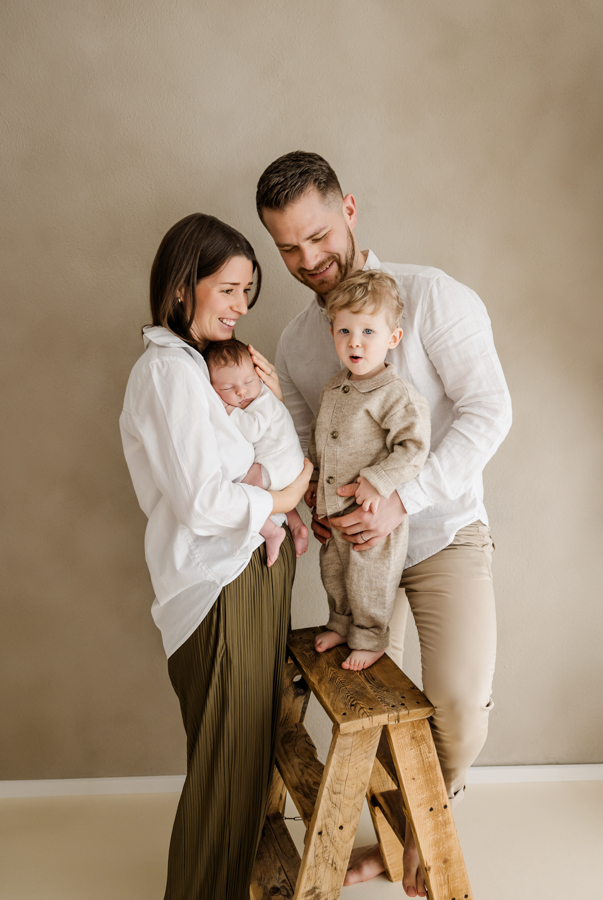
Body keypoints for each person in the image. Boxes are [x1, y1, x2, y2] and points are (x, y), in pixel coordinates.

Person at [254, 151, 512, 898]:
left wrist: (404, 496)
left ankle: (419, 831)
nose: (309, 259)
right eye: (288, 248)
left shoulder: (434, 298)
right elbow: (302, 449)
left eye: (319, 236)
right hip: (357, 556)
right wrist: (307, 510)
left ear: (351, 211)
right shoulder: (298, 343)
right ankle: (402, 842)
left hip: (441, 536)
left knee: (459, 709)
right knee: (365, 713)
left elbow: (490, 411)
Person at [120, 213, 312, 900]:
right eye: (228, 289)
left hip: (248, 576)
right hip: (217, 585)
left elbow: (255, 455)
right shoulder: (167, 374)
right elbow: (205, 502)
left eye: (248, 292)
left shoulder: (208, 372)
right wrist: (288, 494)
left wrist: (273, 408)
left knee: (244, 767)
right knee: (225, 770)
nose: (241, 307)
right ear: (182, 287)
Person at [306, 270, 430, 670]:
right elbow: (319, 438)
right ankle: (340, 623)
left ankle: (372, 637)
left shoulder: (396, 395)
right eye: (344, 330)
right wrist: (312, 482)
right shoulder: (331, 388)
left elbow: (413, 448)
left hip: (373, 515)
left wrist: (379, 482)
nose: (354, 341)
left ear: (392, 338)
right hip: (333, 513)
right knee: (335, 574)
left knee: (369, 580)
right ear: (332, 334)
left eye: (367, 331)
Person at [205, 337, 309, 566]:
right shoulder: (254, 395)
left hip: (279, 462)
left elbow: (252, 432)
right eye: (228, 388)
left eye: (249, 381)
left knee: (245, 494)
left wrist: (230, 410)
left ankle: (272, 531)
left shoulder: (263, 400)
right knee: (275, 495)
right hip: (285, 466)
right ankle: (297, 525)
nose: (242, 392)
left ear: (259, 375)